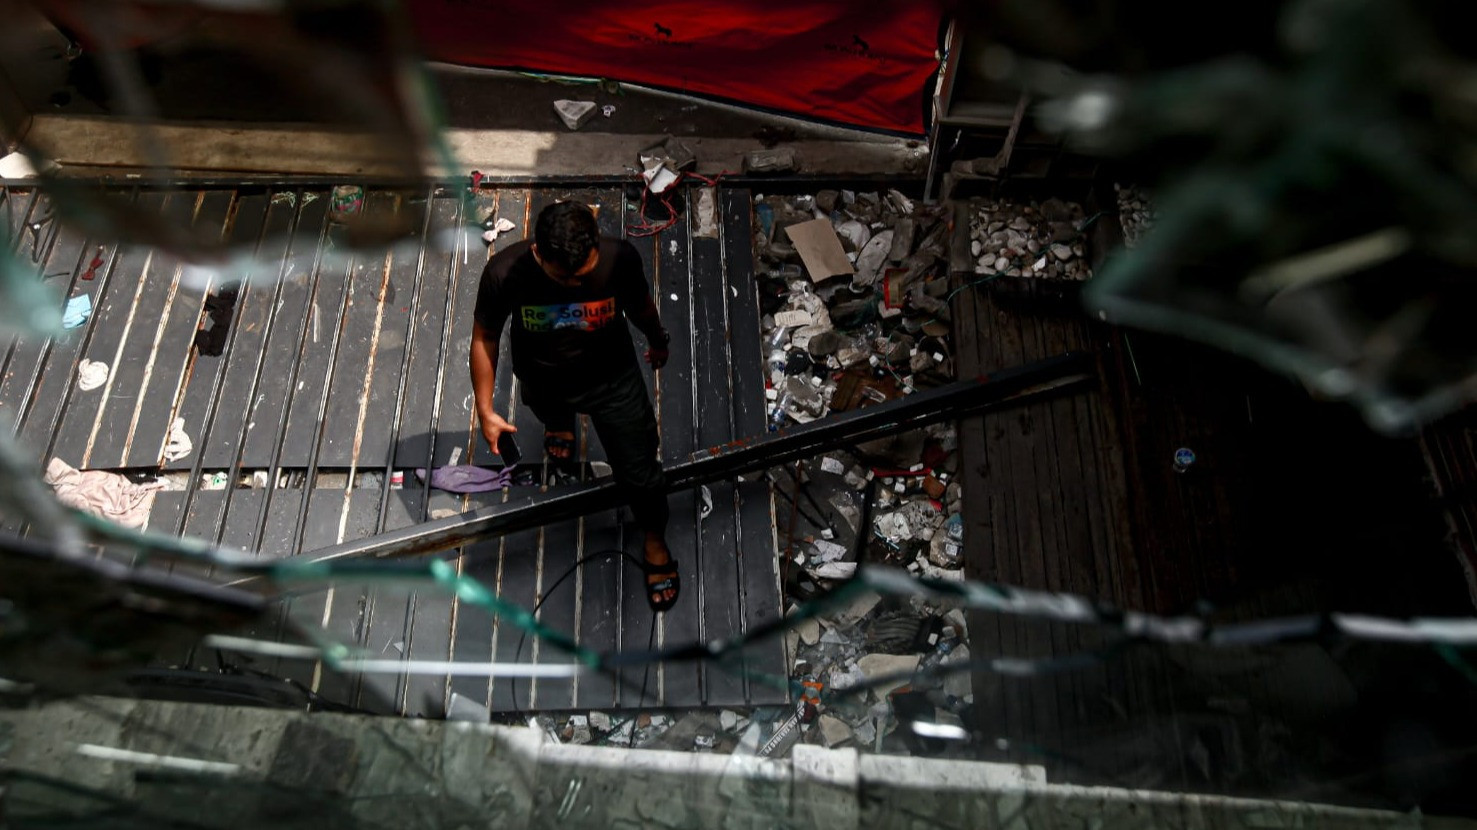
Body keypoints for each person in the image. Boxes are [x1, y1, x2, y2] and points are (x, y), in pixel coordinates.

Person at [470, 201, 679, 612]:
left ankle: (654, 538)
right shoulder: (503, 274)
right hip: (543, 378)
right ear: (537, 254)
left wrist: (658, 340)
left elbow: (640, 307)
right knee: (549, 414)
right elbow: (485, 337)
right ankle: (560, 426)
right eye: (562, 276)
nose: (573, 284)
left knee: (640, 472)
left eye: (582, 273)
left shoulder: (619, 258)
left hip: (612, 380)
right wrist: (485, 408)